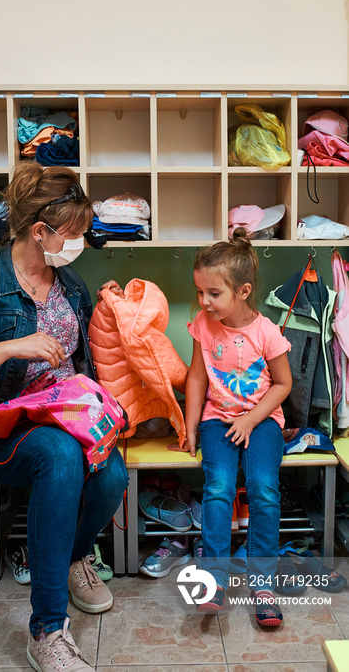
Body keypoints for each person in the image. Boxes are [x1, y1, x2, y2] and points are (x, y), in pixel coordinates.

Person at [0, 162, 128, 672]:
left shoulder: (69, 282)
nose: (80, 242)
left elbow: (80, 362)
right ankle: (47, 631)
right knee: (59, 458)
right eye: (73, 233)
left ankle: (70, 558)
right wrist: (10, 347)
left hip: (64, 418)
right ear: (41, 231)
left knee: (112, 475)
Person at [184, 228, 292, 627]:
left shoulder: (266, 332)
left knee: (263, 488)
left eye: (214, 293)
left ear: (243, 291)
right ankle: (213, 578)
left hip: (261, 420)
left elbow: (283, 384)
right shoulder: (203, 324)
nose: (204, 302)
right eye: (200, 292)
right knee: (217, 489)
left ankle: (262, 582)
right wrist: (190, 425)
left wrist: (250, 419)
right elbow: (197, 377)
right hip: (217, 420)